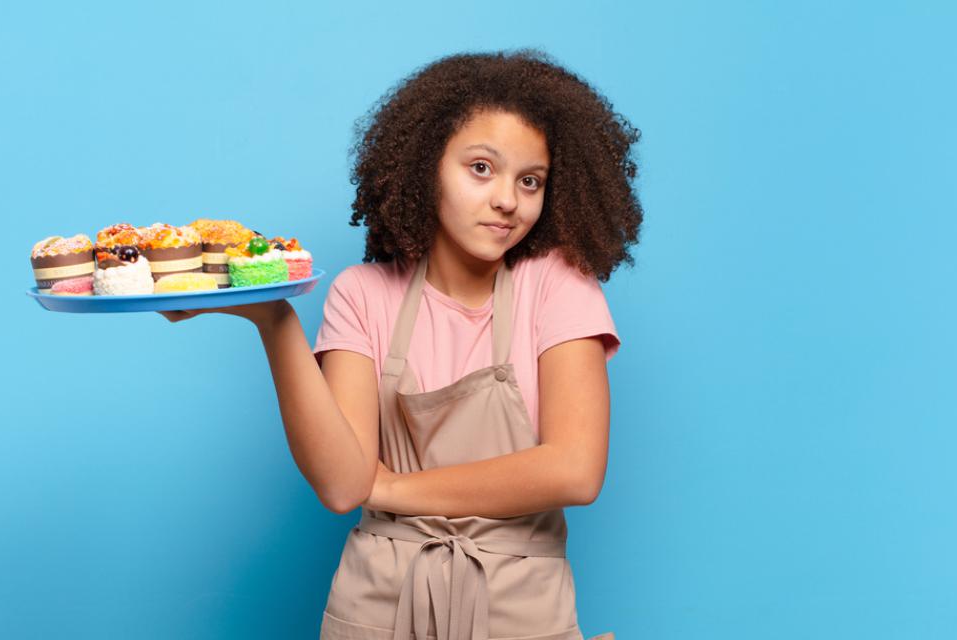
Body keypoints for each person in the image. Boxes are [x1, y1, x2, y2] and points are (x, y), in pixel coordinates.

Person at [162, 49, 642, 640]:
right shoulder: (363, 294)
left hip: (522, 608)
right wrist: (275, 319)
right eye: (481, 168)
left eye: (530, 181)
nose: (508, 200)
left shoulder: (558, 284)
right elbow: (342, 486)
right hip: (377, 604)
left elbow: (575, 470)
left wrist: (392, 488)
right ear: (425, 167)